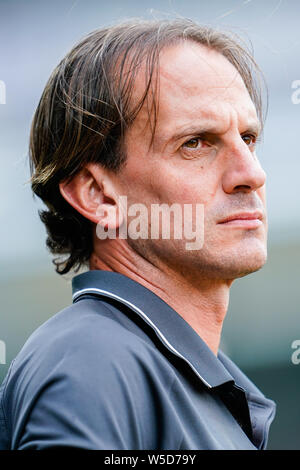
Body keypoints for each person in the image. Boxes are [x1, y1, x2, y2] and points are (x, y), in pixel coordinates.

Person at [0, 18, 276, 450]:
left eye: (248, 137)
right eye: (195, 143)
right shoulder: (92, 360)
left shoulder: (155, 367)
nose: (252, 174)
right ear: (98, 195)